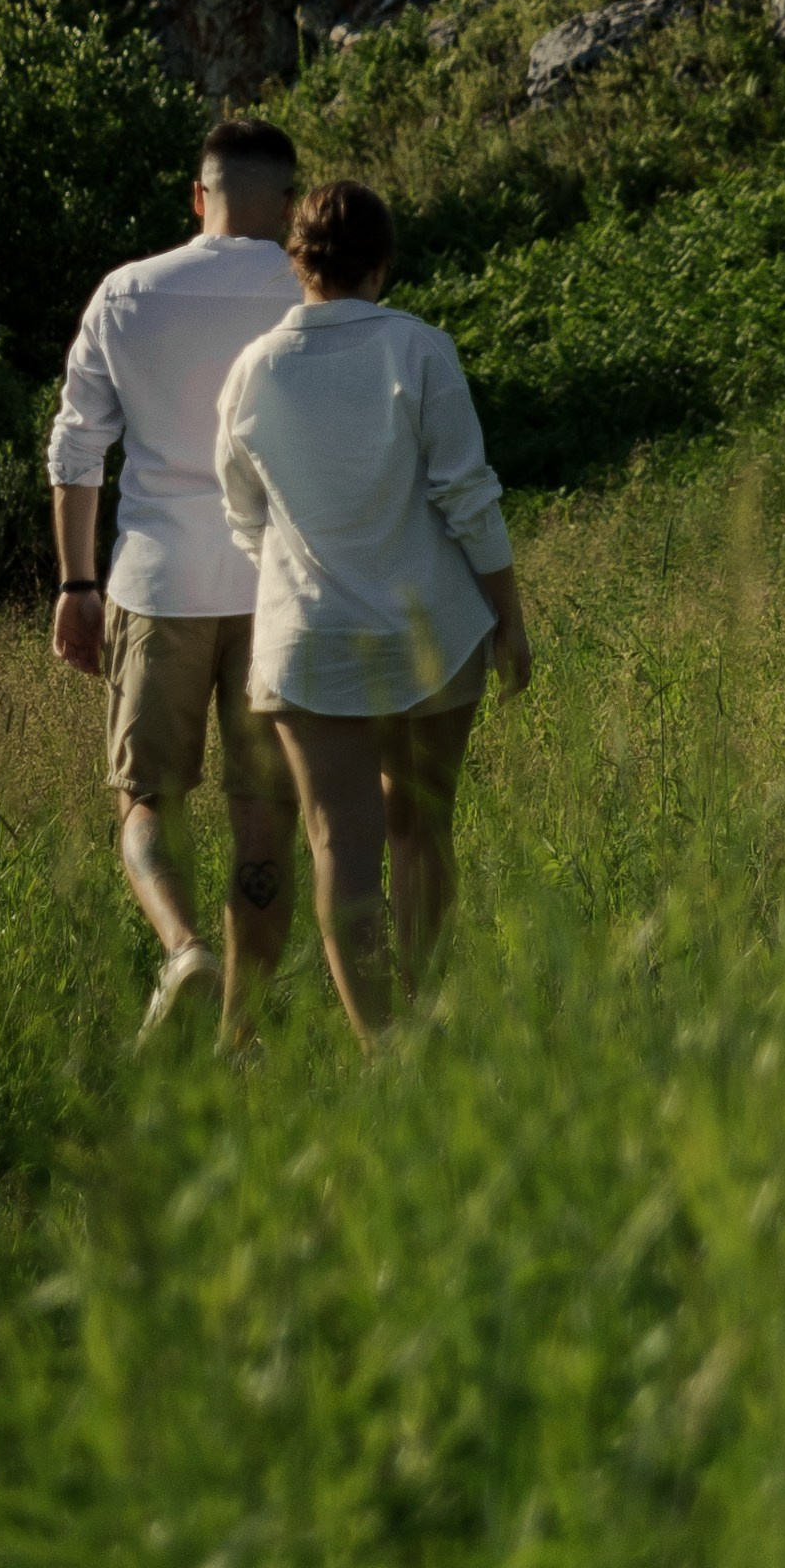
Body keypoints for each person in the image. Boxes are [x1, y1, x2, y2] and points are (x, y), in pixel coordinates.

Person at [214, 175, 530, 1045]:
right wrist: (507, 614)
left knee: (338, 847)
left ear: (297, 263)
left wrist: (293, 577)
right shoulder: (419, 349)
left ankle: (381, 1050)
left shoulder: (251, 369)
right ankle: (422, 1024)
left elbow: (242, 514)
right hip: (431, 630)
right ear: (381, 264)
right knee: (420, 830)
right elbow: (466, 495)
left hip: (307, 640)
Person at [48, 116, 305, 1044]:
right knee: (262, 814)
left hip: (155, 584)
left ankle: (183, 949)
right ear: (289, 203)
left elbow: (75, 449)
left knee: (145, 797)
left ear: (198, 196)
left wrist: (76, 585)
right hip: (279, 588)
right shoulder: (308, 289)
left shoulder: (125, 293)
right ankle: (242, 1037)